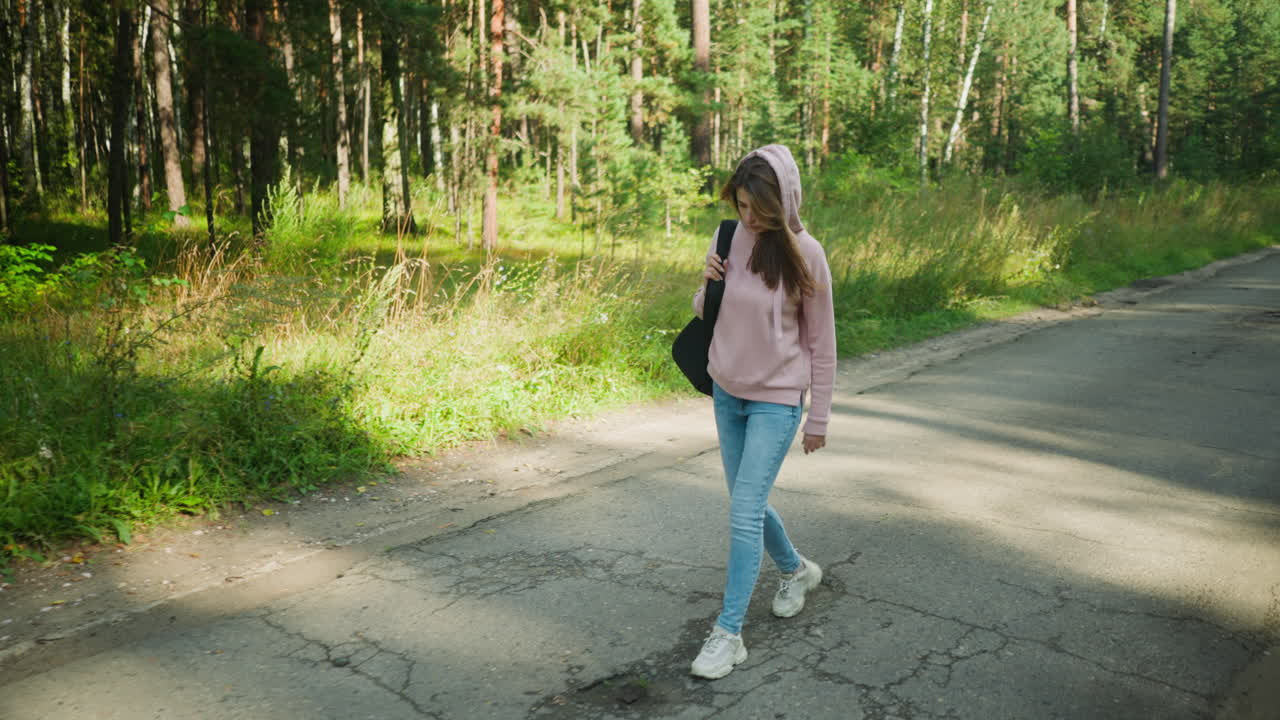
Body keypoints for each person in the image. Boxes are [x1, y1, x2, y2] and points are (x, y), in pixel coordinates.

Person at [689, 144, 837, 680]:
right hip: (727, 390)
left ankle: (729, 633)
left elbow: (822, 343)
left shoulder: (807, 253)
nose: (748, 218)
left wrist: (818, 417)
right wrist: (707, 283)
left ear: (782, 202)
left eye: (758, 208)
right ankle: (796, 570)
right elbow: (707, 314)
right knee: (746, 504)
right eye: (741, 205)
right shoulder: (728, 236)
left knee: (744, 510)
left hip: (777, 400)